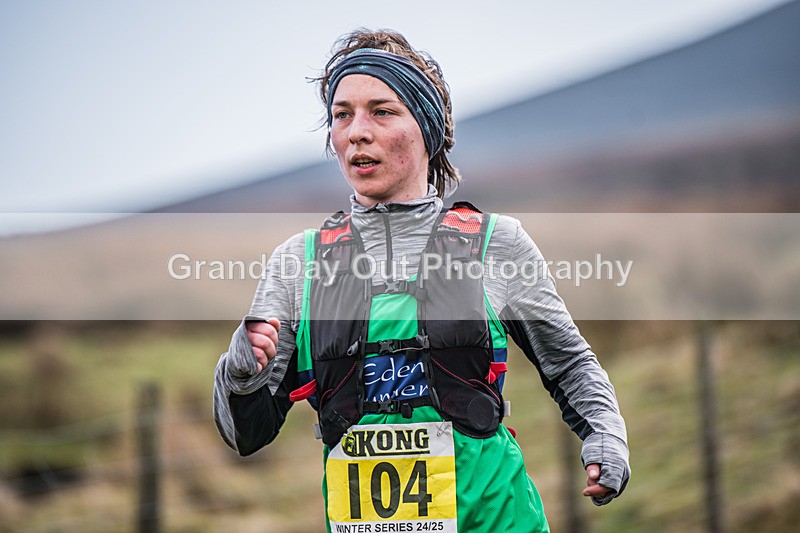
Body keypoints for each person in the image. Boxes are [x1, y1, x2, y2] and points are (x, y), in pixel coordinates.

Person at [214, 29, 630, 532]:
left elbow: (569, 364)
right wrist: (239, 371)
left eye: (382, 111)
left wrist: (606, 435)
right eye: (342, 115)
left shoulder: (495, 243)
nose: (356, 132)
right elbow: (245, 434)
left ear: (426, 129)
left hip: (498, 520)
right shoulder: (297, 263)